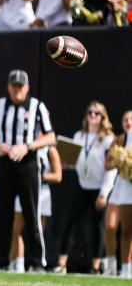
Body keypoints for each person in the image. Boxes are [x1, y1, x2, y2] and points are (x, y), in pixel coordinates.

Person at [0, 69, 55, 271]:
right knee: (4, 214)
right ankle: (1, 262)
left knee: (32, 213)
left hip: (28, 164)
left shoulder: (37, 106)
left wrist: (27, 146)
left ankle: (37, 263)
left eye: (20, 86)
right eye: (13, 86)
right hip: (4, 163)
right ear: (8, 87)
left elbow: (51, 137)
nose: (17, 90)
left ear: (27, 88)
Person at [50, 101, 116, 274]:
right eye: (90, 112)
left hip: (99, 188)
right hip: (82, 185)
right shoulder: (79, 135)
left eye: (96, 113)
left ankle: (96, 264)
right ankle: (61, 263)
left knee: (98, 226)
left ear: (103, 117)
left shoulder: (108, 139)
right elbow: (78, 162)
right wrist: (66, 164)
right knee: (71, 221)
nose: (92, 116)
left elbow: (111, 168)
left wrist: (104, 193)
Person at [8, 145, 63, 273]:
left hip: (42, 193)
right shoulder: (22, 147)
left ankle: (36, 264)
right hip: (24, 192)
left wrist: (35, 176)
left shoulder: (50, 150)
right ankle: (17, 264)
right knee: (16, 230)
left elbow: (57, 176)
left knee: (37, 232)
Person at [103, 110, 132, 276]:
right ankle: (112, 266)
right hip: (122, 186)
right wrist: (122, 163)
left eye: (131, 119)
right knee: (113, 226)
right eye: (125, 119)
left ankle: (128, 268)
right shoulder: (121, 139)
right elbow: (107, 164)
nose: (128, 122)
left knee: (129, 230)